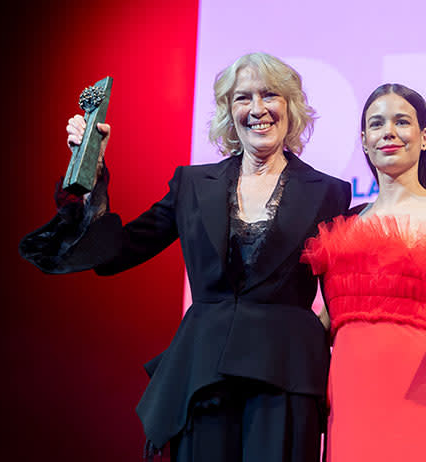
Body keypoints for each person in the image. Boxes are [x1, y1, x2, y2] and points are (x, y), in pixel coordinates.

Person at [20, 52, 353, 462]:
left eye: (270, 95)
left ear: (291, 106)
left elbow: (345, 297)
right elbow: (117, 252)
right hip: (203, 376)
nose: (257, 109)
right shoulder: (193, 185)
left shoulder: (330, 193)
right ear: (229, 113)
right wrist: (92, 169)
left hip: (285, 379)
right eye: (242, 98)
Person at [301, 83, 426, 462]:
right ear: (364, 140)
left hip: (424, 403)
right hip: (351, 406)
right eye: (377, 124)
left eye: (402, 122)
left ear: (424, 138)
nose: (389, 132)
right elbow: (328, 325)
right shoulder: (343, 225)